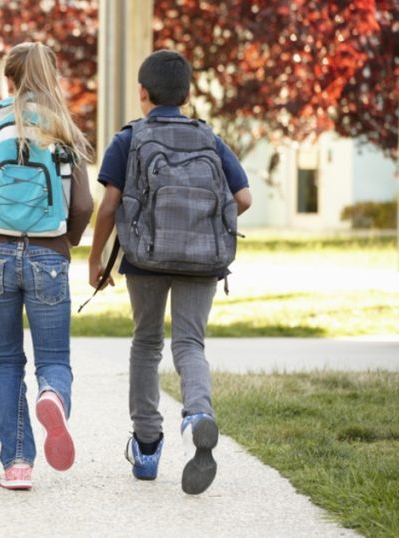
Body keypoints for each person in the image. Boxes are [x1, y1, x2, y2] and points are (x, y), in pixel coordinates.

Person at [88, 49, 252, 495]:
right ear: (187, 94)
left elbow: (108, 205)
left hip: (145, 257)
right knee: (189, 343)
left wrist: (96, 258)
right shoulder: (209, 139)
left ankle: (146, 447)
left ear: (142, 92)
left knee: (146, 342)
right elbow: (244, 198)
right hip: (203, 258)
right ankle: (197, 415)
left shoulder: (129, 138)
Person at [0, 42, 94, 490]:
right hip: (48, 255)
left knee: (7, 360)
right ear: (51, 77)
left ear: (8, 79)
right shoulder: (62, 127)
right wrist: (64, 241)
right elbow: (85, 204)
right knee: (53, 358)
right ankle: (52, 396)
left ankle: (17, 464)